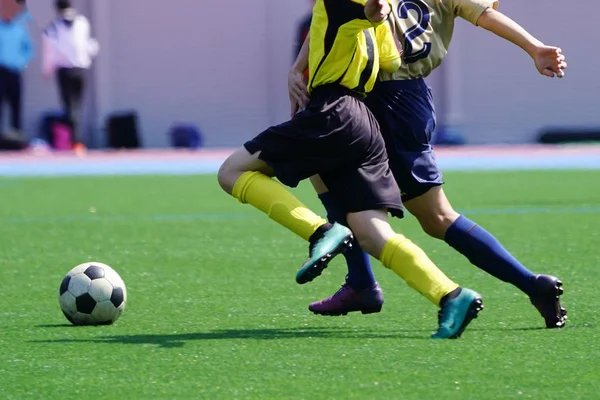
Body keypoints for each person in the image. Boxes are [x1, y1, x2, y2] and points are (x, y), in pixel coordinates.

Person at [288, 0, 567, 328]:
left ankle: (531, 283)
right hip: (382, 95)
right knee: (325, 174)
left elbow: (341, 13)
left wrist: (534, 48)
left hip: (388, 97)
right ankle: (361, 283)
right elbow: (336, 13)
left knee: (436, 217)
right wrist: (534, 48)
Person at [218, 0, 484, 339]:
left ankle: (319, 231)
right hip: (363, 123)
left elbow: (364, 11)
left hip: (331, 111)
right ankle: (450, 295)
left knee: (231, 172)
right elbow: (388, 55)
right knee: (372, 234)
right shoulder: (377, 22)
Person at [41, 0, 98, 154]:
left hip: (70, 69)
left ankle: (75, 141)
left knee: (71, 108)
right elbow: (89, 45)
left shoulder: (56, 26)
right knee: (74, 107)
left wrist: (47, 70)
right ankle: (73, 140)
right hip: (75, 69)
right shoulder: (80, 23)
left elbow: (49, 51)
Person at [0, 4, 33, 141]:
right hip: (0, 71)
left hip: (15, 71)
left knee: (16, 105)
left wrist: (21, 62)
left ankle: (17, 138)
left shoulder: (19, 29)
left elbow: (28, 49)